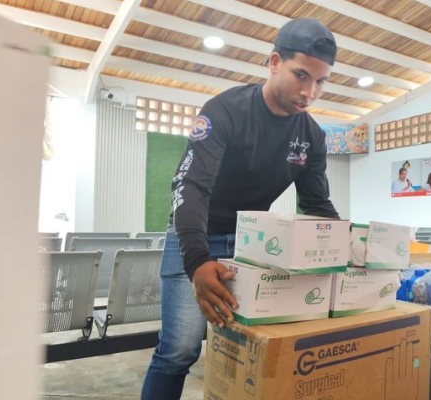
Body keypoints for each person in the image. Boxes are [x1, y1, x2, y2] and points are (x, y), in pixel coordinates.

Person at [140, 18, 340, 400]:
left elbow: (317, 205)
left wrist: (349, 248)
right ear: (275, 62)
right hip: (195, 237)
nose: (309, 92)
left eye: (320, 82)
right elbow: (190, 186)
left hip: (252, 246)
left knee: (249, 346)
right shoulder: (224, 111)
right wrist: (197, 262)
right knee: (179, 351)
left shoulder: (312, 136)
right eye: (301, 75)